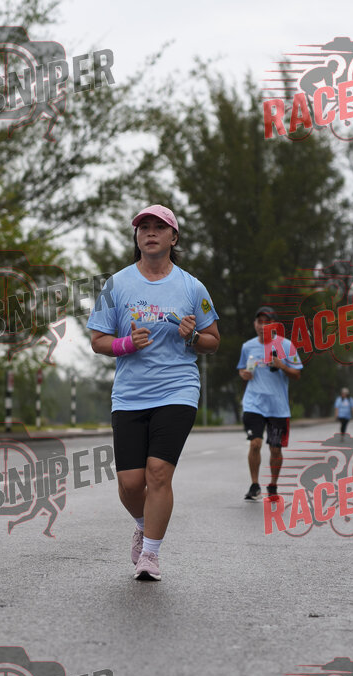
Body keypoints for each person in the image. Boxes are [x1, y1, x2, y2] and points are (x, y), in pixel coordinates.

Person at [87, 204, 220, 580]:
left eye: (159, 227)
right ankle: (145, 524)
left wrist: (192, 337)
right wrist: (126, 344)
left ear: (173, 238)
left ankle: (151, 555)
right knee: (131, 484)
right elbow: (98, 340)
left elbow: (213, 340)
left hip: (178, 390)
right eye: (143, 226)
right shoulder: (116, 285)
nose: (150, 232)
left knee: (158, 472)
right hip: (130, 394)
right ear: (136, 236)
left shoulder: (192, 287)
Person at [237, 306, 303, 502]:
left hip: (277, 407)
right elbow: (241, 369)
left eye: (268, 322)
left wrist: (282, 365)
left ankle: (273, 484)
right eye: (260, 321)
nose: (263, 326)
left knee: (275, 449)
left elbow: (297, 374)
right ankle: (254, 485)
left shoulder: (287, 346)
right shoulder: (247, 346)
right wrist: (244, 374)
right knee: (255, 443)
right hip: (254, 404)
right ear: (255, 324)